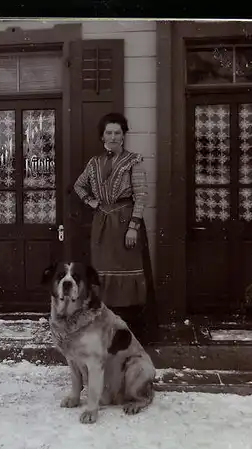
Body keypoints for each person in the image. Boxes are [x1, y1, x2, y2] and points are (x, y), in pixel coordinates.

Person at [73, 112, 156, 342]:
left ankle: (129, 334)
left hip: (125, 223)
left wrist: (133, 227)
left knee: (128, 272)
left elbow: (141, 196)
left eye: (117, 133)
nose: (113, 137)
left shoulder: (133, 161)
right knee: (102, 273)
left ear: (123, 136)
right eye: (108, 132)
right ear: (102, 136)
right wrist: (94, 203)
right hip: (102, 224)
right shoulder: (94, 163)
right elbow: (79, 186)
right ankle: (103, 331)